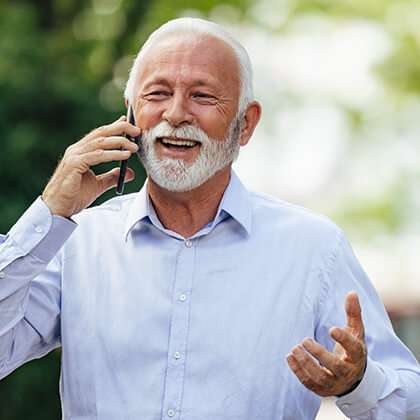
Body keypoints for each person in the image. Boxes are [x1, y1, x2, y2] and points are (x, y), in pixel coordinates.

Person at [0, 17, 419, 420]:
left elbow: (408, 403)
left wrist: (357, 383)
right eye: (158, 94)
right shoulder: (78, 240)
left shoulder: (313, 248)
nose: (177, 113)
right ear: (130, 114)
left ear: (245, 125)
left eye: (202, 96)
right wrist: (49, 210)